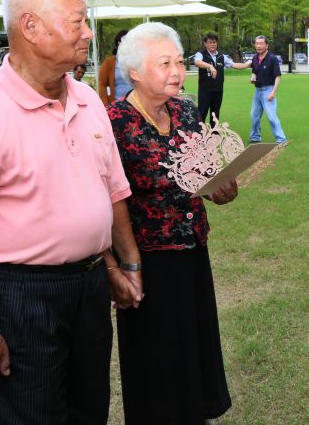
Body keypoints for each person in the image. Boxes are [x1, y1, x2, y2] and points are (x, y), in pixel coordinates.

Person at [0, 0, 143, 424]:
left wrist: (121, 264)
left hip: (90, 286)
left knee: (90, 410)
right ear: (30, 27)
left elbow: (112, 190)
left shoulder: (88, 99)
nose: (89, 33)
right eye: (77, 22)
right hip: (20, 295)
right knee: (33, 414)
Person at [107, 22, 236, 424]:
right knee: (158, 356)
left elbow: (200, 172)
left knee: (192, 344)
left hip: (192, 248)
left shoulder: (186, 110)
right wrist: (123, 265)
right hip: (148, 259)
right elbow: (111, 200)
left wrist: (219, 187)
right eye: (165, 64)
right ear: (135, 73)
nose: (178, 71)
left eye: (179, 61)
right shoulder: (114, 122)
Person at [231, 35, 287, 143]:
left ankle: (281, 140)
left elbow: (278, 77)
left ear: (267, 45)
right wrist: (253, 77)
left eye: (261, 43)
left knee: (271, 117)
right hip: (258, 92)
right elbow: (254, 71)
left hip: (268, 91)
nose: (259, 46)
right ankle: (255, 138)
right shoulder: (255, 58)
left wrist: (273, 92)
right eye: (257, 43)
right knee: (254, 116)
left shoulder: (272, 58)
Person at [193, 32, 233, 126]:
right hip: (205, 90)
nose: (213, 44)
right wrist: (210, 66)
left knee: (215, 113)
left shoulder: (221, 56)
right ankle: (198, 134)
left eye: (214, 42)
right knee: (202, 112)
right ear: (205, 43)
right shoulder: (201, 54)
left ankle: (214, 134)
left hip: (218, 90)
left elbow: (234, 64)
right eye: (210, 42)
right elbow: (197, 62)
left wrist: (249, 64)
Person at [97, 29, 130, 105]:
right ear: (118, 44)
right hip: (116, 105)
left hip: (135, 106)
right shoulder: (109, 62)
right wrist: (106, 105)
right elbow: (102, 84)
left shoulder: (136, 61)